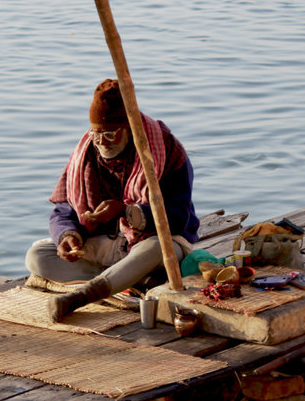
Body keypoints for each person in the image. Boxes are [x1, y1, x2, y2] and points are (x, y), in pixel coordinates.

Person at [25, 79, 199, 322]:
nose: (102, 142)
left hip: (149, 243)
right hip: (107, 244)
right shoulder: (86, 152)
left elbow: (180, 217)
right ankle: (129, 280)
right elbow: (63, 211)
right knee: (37, 255)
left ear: (129, 127)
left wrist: (127, 213)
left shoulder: (165, 148)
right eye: (97, 134)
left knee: (160, 247)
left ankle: (82, 296)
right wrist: (68, 236)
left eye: (110, 134)